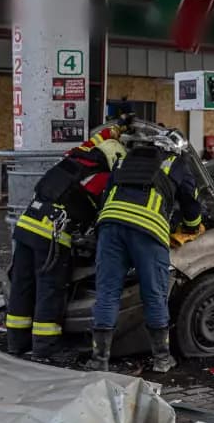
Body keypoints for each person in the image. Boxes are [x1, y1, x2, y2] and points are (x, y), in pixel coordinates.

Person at [5, 120, 127, 360]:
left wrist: (111, 132)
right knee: (49, 291)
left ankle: (16, 343)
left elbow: (89, 143)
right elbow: (105, 212)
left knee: (22, 286)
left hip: (26, 226)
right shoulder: (102, 178)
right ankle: (45, 348)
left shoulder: (72, 159)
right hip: (51, 236)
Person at [87, 129, 204, 373]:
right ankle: (162, 360)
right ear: (176, 149)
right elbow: (191, 204)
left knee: (107, 292)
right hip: (147, 231)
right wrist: (190, 228)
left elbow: (106, 196)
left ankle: (99, 361)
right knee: (154, 294)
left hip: (110, 226)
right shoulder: (177, 163)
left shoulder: (125, 159)